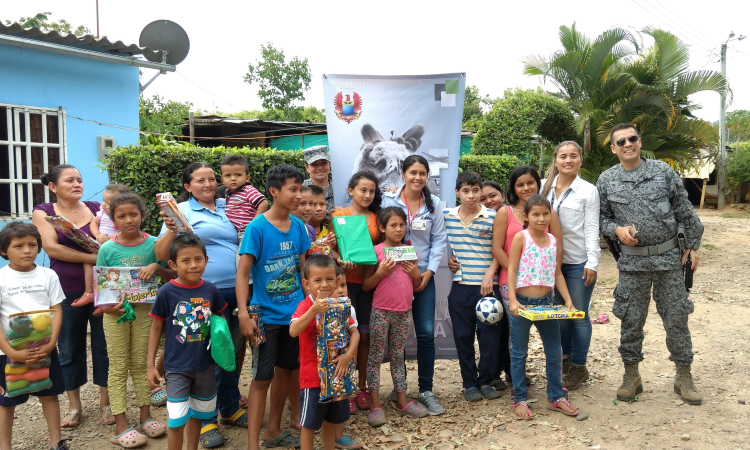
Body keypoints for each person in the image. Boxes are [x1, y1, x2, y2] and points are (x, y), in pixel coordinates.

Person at [598, 123, 703, 405]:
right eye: (621, 142)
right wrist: (616, 230)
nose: (627, 144)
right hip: (632, 264)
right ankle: (631, 376)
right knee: (631, 320)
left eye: (632, 139)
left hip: (669, 260)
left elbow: (685, 210)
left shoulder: (662, 171)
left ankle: (684, 375)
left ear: (640, 141)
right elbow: (600, 218)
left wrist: (692, 245)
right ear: (613, 148)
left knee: (677, 318)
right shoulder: (606, 180)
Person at [153, 162, 245, 448]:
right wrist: (170, 229)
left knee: (232, 353)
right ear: (187, 186)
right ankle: (207, 421)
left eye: (211, 179)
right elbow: (159, 254)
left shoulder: (227, 205)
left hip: (236, 291)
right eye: (200, 180)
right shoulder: (181, 212)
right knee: (208, 356)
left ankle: (229, 407)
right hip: (200, 296)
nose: (207, 184)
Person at [237, 164, 311, 450]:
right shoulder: (256, 228)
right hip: (265, 318)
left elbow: (303, 273)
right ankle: (252, 444)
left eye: (300, 188)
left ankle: (273, 431)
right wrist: (244, 313)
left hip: (293, 317)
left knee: (285, 372)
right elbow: (242, 273)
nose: (299, 195)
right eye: (293, 189)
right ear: (274, 191)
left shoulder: (299, 227)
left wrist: (311, 307)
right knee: (261, 378)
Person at [32, 164, 112, 429]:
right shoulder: (43, 212)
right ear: (53, 186)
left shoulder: (93, 207)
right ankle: (74, 405)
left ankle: (106, 403)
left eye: (79, 179)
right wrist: (95, 257)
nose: (77, 184)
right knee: (68, 347)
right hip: (65, 290)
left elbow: (109, 238)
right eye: (70, 180)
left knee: (104, 346)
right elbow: (53, 249)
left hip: (103, 289)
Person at [97, 193, 172, 447]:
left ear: (142, 215)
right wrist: (109, 309)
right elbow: (101, 287)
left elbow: (172, 274)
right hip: (115, 315)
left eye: (134, 214)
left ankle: (145, 416)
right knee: (118, 367)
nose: (128, 220)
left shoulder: (153, 244)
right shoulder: (107, 248)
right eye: (121, 216)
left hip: (146, 313)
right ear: (113, 219)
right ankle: (120, 424)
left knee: (141, 364)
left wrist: (157, 267)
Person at [380, 155, 448, 415]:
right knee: (395, 338)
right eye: (413, 172)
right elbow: (380, 230)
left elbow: (439, 240)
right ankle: (400, 389)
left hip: (422, 279)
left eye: (422, 173)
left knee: (426, 334)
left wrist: (429, 273)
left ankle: (426, 390)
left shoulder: (434, 204)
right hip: (392, 277)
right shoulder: (389, 199)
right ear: (403, 173)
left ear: (427, 175)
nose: (417, 177)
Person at [147, 234, 228, 450]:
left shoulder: (211, 290)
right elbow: (156, 329)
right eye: (185, 260)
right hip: (176, 368)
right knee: (176, 420)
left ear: (206, 260)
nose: (193, 265)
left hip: (205, 366)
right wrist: (151, 366)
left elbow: (221, 323)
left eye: (198, 259)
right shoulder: (166, 292)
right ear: (173, 265)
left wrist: (223, 351)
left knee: (198, 415)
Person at [490, 165, 564, 388]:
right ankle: (517, 381)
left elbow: (558, 249)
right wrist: (521, 274)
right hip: (511, 284)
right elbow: (497, 248)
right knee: (517, 337)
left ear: (538, 183)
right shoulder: (506, 212)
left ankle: (553, 387)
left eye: (530, 182)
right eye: (519, 184)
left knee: (549, 340)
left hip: (543, 286)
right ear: (513, 187)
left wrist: (549, 277)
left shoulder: (547, 212)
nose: (525, 188)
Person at [507, 195, 579, 419]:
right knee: (519, 353)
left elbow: (557, 273)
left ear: (551, 215)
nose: (541, 218)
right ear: (526, 217)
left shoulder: (553, 241)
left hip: (547, 304)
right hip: (523, 305)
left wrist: (567, 299)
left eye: (545, 214)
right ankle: (519, 399)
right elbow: (511, 269)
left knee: (554, 352)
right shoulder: (521, 237)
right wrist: (512, 300)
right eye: (535, 214)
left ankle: (555, 397)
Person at [0, 222, 69, 450]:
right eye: (18, 246)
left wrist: (51, 344)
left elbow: (57, 309)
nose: (27, 250)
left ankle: (56, 442)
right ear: (3, 251)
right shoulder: (1, 279)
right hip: (8, 353)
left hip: (44, 349)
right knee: (6, 402)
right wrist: (10, 351)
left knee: (49, 395)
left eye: (32, 245)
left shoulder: (48, 275)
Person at [540, 141, 601, 390]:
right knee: (560, 317)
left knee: (578, 314)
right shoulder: (545, 190)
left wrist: (593, 262)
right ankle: (566, 363)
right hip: (549, 264)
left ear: (580, 160)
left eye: (573, 156)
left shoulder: (588, 190)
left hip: (577, 263)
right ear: (555, 160)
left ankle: (579, 366)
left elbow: (591, 228)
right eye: (563, 156)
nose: (568, 160)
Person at [362, 207, 427, 426]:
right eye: (393, 225)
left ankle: (402, 400)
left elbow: (416, 286)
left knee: (398, 356)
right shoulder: (376, 251)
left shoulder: (410, 250)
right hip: (380, 311)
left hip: (404, 312)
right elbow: (365, 285)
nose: (399, 229)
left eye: (401, 225)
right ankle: (374, 404)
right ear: (382, 227)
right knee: (375, 356)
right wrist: (380, 272)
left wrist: (416, 275)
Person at [443, 171, 503, 402]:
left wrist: (490, 272)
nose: (471, 196)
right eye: (465, 191)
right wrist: (450, 260)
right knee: (463, 337)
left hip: (488, 288)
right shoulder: (447, 215)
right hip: (460, 288)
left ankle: (486, 381)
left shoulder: (493, 216)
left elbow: (501, 248)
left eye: (475, 190)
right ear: (457, 192)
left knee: (489, 338)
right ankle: (469, 383)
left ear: (481, 191)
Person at [290, 255, 359, 450]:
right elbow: (293, 331)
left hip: (337, 374)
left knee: (331, 421)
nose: (324, 285)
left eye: (329, 279)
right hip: (312, 379)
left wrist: (347, 356)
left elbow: (354, 333)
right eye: (317, 280)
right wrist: (313, 310)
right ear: (306, 283)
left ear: (337, 280)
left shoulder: (342, 304)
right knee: (309, 424)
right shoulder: (305, 305)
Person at [330, 171, 382, 412]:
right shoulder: (338, 216)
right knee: (344, 336)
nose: (367, 195)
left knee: (365, 336)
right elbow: (330, 248)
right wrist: (340, 260)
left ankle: (362, 388)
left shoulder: (376, 218)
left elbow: (380, 249)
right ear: (351, 190)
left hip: (369, 284)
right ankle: (346, 387)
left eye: (371, 191)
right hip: (344, 285)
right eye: (363, 190)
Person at [331, 266, 362, 450]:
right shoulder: (318, 308)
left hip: (342, 363)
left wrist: (349, 358)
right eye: (337, 285)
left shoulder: (349, 309)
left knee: (339, 398)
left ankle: (338, 435)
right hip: (323, 364)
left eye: (344, 284)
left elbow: (354, 334)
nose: (341, 290)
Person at [302, 146, 335, 219]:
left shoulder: (338, 190)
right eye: (314, 164)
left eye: (323, 163)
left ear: (329, 164)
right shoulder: (300, 190)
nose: (320, 167)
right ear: (307, 167)